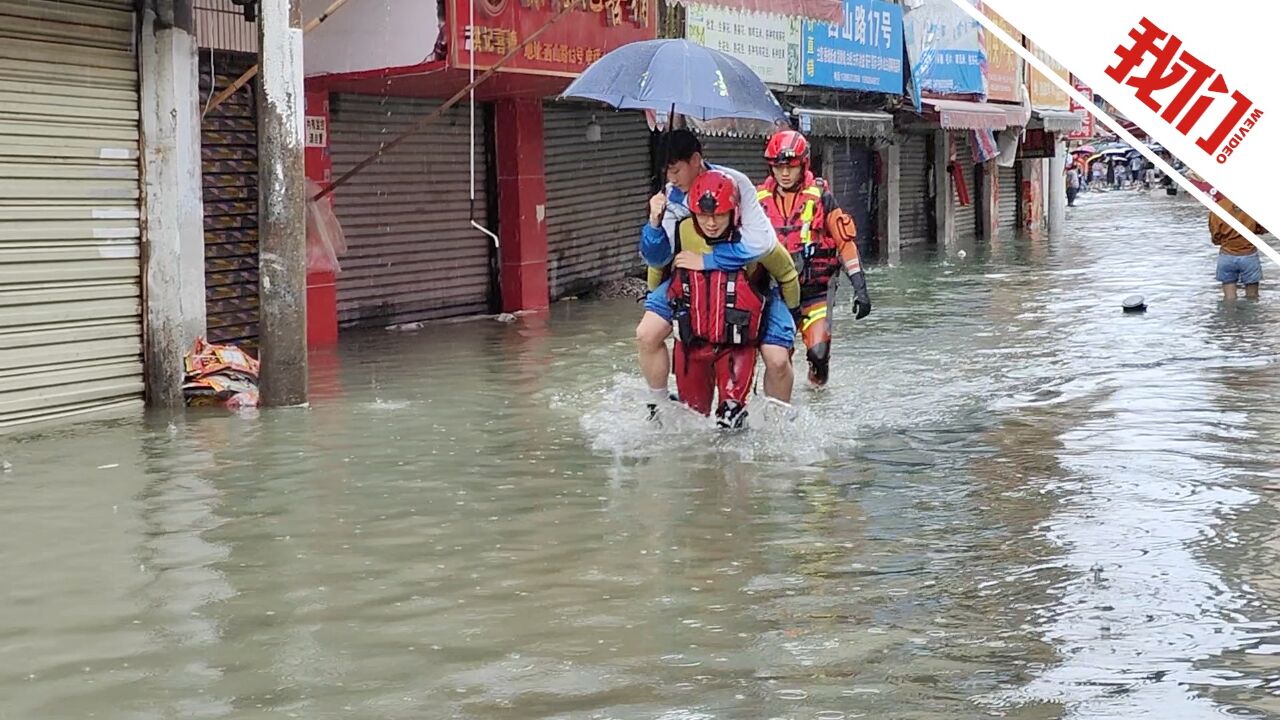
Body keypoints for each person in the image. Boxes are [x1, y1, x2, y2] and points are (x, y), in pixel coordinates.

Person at [637, 130, 796, 419]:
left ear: (696, 160)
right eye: (666, 172)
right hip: (689, 283)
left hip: (747, 281)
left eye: (675, 170)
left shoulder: (737, 184)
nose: (671, 178)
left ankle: (779, 421)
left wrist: (709, 260)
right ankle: (658, 403)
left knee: (777, 361)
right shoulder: (671, 196)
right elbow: (658, 257)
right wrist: (654, 223)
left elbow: (761, 243)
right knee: (646, 334)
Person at [753, 130, 870, 386]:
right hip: (777, 290)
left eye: (791, 167)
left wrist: (860, 287)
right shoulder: (757, 201)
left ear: (803, 164)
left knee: (818, 354)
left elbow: (845, 243)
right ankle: (782, 406)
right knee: (778, 357)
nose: (784, 173)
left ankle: (817, 389)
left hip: (815, 289)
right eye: (778, 167)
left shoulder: (823, 199)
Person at [1211, 193, 1268, 300]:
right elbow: (1263, 228)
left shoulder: (1218, 207)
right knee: (1252, 298)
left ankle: (1230, 316)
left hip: (1227, 255)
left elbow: (1215, 235)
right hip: (1249, 254)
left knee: (1229, 298)